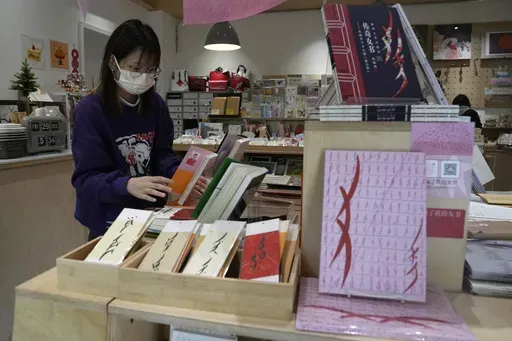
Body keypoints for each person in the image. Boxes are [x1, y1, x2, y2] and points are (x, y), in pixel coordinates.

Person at [71, 20, 206, 241]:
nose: (143, 76)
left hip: (151, 215)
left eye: (151, 70)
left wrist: (183, 174)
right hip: (109, 221)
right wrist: (126, 184)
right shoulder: (90, 111)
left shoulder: (155, 104)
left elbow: (162, 154)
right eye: (135, 68)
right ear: (113, 63)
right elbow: (86, 179)